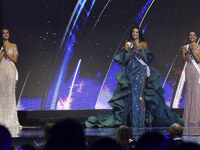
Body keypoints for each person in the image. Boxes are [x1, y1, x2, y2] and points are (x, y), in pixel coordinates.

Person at [85, 27, 183, 128]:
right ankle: (134, 122)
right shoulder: (127, 44)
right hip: (130, 71)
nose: (135, 34)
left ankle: (140, 122)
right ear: (131, 33)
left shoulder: (144, 44)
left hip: (141, 70)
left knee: (140, 95)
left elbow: (146, 59)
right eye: (133, 32)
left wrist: (137, 50)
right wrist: (132, 51)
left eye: (137, 32)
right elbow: (125, 61)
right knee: (132, 96)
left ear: (139, 34)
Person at [0, 28, 21, 136]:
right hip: (1, 71)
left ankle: (10, 119)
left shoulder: (13, 45)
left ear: (9, 34)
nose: (5, 34)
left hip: (11, 70)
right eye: (3, 33)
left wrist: (7, 53)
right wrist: (3, 51)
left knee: (10, 95)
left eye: (7, 32)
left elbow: (15, 60)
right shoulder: (0, 48)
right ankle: (2, 119)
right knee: (2, 95)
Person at [182, 30, 200, 127]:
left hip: (196, 71)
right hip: (188, 70)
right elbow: (184, 60)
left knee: (196, 92)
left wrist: (193, 50)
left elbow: (198, 60)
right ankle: (188, 118)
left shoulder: (199, 47)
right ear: (189, 37)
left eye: (194, 35)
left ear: (196, 37)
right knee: (189, 92)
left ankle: (196, 118)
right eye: (190, 35)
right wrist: (188, 52)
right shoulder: (185, 47)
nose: (192, 37)